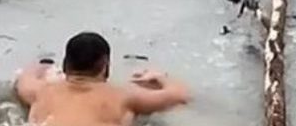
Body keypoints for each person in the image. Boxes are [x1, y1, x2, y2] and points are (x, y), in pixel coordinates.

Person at [13, 31, 190, 126]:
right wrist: (160, 77)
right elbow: (180, 95)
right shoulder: (123, 97)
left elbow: (24, 77)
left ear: (66, 64)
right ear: (105, 65)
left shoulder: (41, 91)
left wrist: (43, 66)